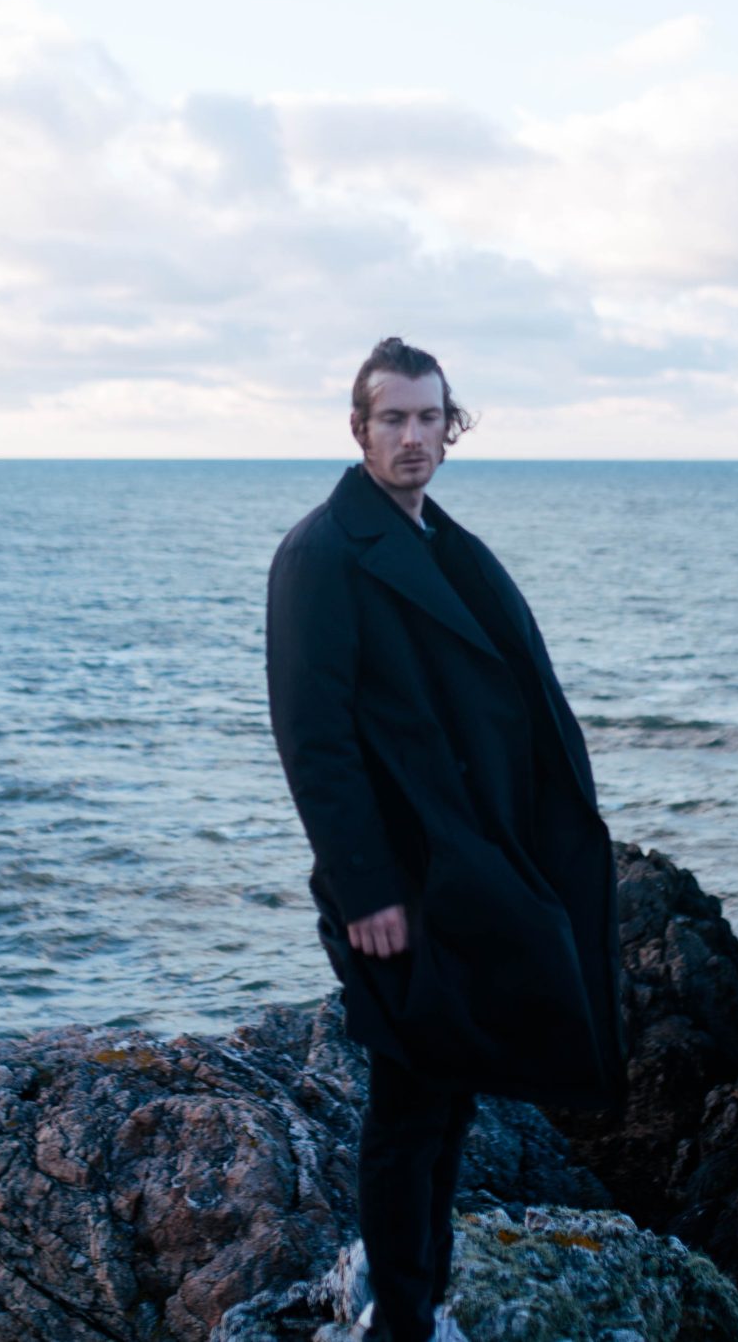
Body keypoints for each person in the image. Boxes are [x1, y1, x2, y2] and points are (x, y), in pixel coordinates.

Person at [265, 337, 626, 1342]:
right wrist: (367, 888)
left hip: (469, 863)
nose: (414, 436)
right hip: (397, 878)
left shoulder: (440, 542)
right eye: (394, 418)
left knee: (451, 1088)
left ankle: (418, 1302)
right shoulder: (322, 554)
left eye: (430, 417)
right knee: (410, 1099)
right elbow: (314, 738)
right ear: (358, 427)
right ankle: (400, 1320)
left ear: (449, 426)